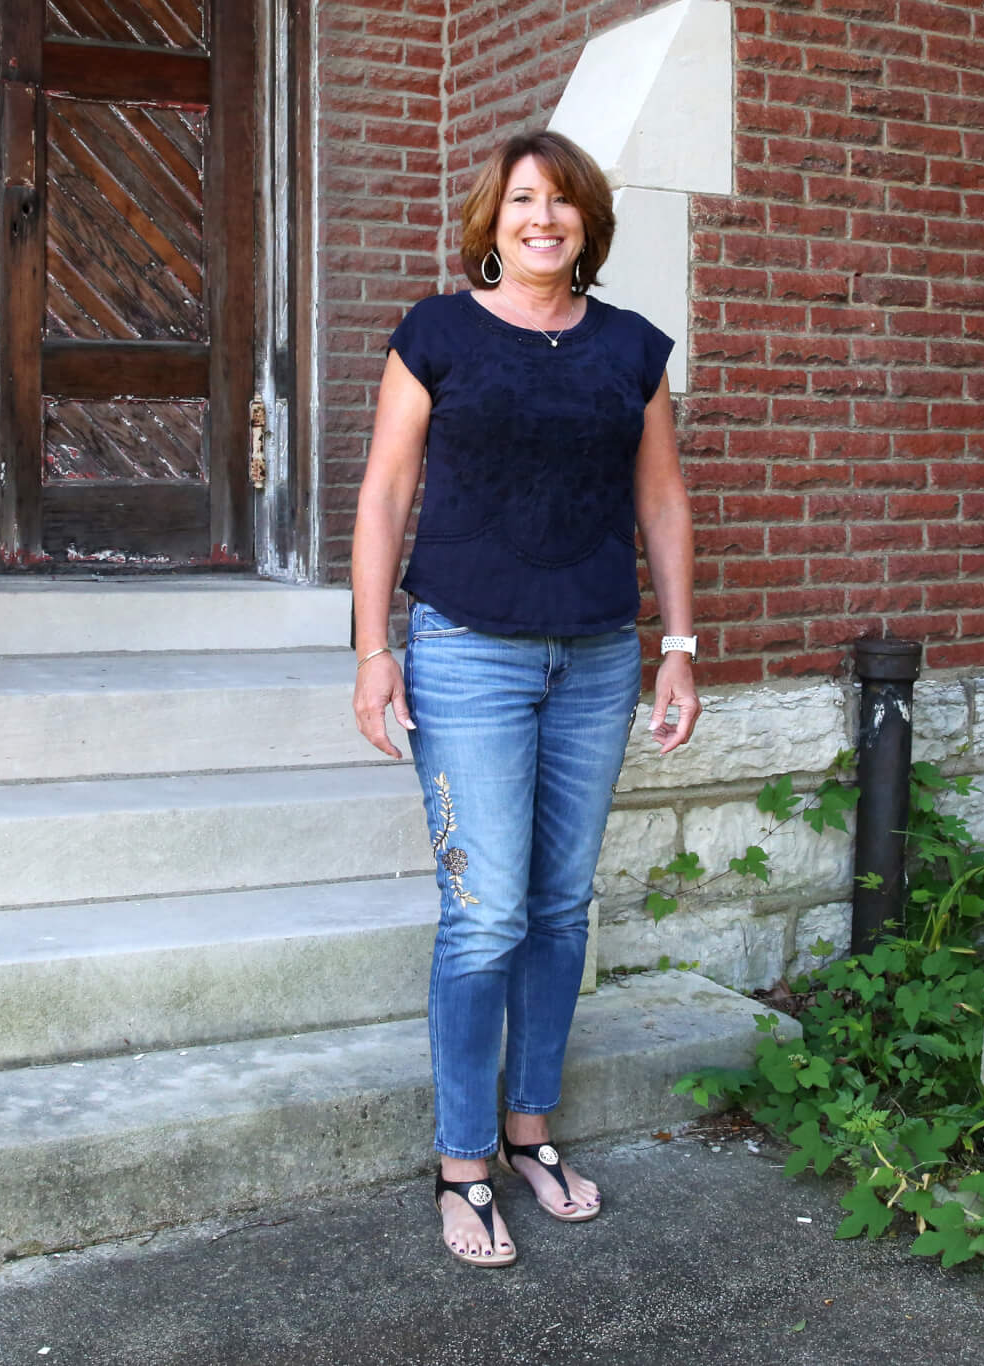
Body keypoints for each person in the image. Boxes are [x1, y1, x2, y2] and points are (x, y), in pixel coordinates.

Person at [349, 129, 701, 1268]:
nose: (540, 218)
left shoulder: (630, 350)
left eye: (560, 203)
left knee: (559, 906)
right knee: (486, 912)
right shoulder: (436, 333)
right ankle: (460, 1161)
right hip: (464, 650)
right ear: (490, 219)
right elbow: (384, 492)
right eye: (520, 201)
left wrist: (678, 647)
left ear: (588, 224)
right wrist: (370, 649)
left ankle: (528, 1130)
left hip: (596, 654)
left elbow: (662, 505)